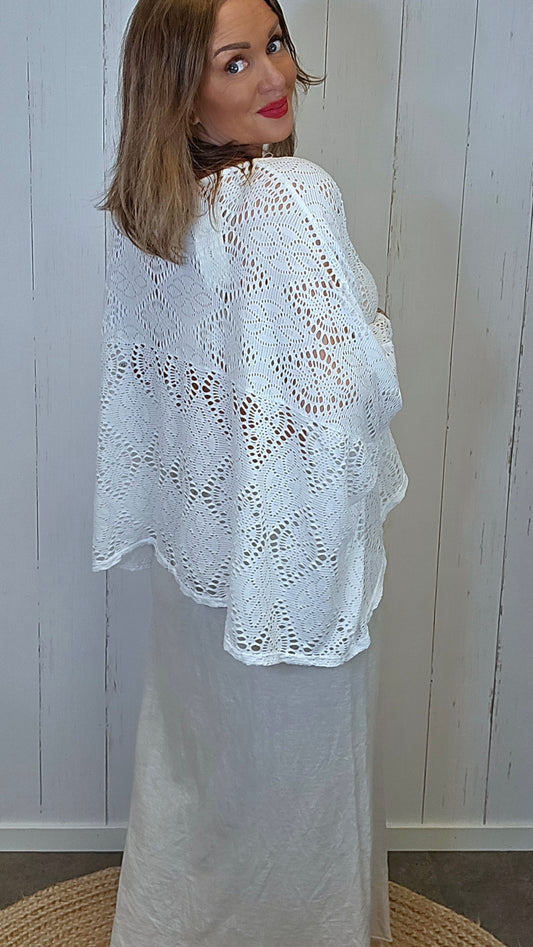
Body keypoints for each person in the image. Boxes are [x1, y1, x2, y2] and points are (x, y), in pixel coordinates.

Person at [92, 0, 408, 943]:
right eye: (233, 62)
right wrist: (376, 325)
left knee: (200, 778)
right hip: (285, 571)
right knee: (301, 793)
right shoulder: (287, 196)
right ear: (180, 96)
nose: (273, 76)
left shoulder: (148, 217)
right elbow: (353, 388)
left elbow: (170, 397)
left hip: (199, 562)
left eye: (273, 44)